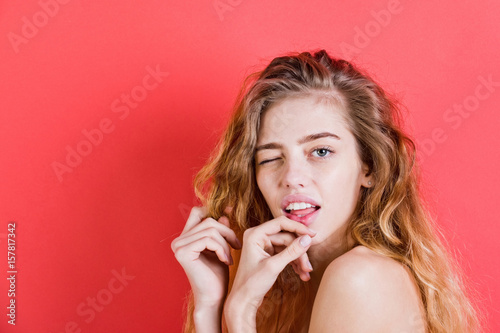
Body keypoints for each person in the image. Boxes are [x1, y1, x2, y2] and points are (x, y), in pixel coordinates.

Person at [171, 50, 483, 332]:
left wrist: (239, 316)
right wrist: (209, 309)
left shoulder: (360, 279)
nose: (292, 177)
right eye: (270, 158)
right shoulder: (289, 292)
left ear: (369, 167)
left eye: (321, 151)